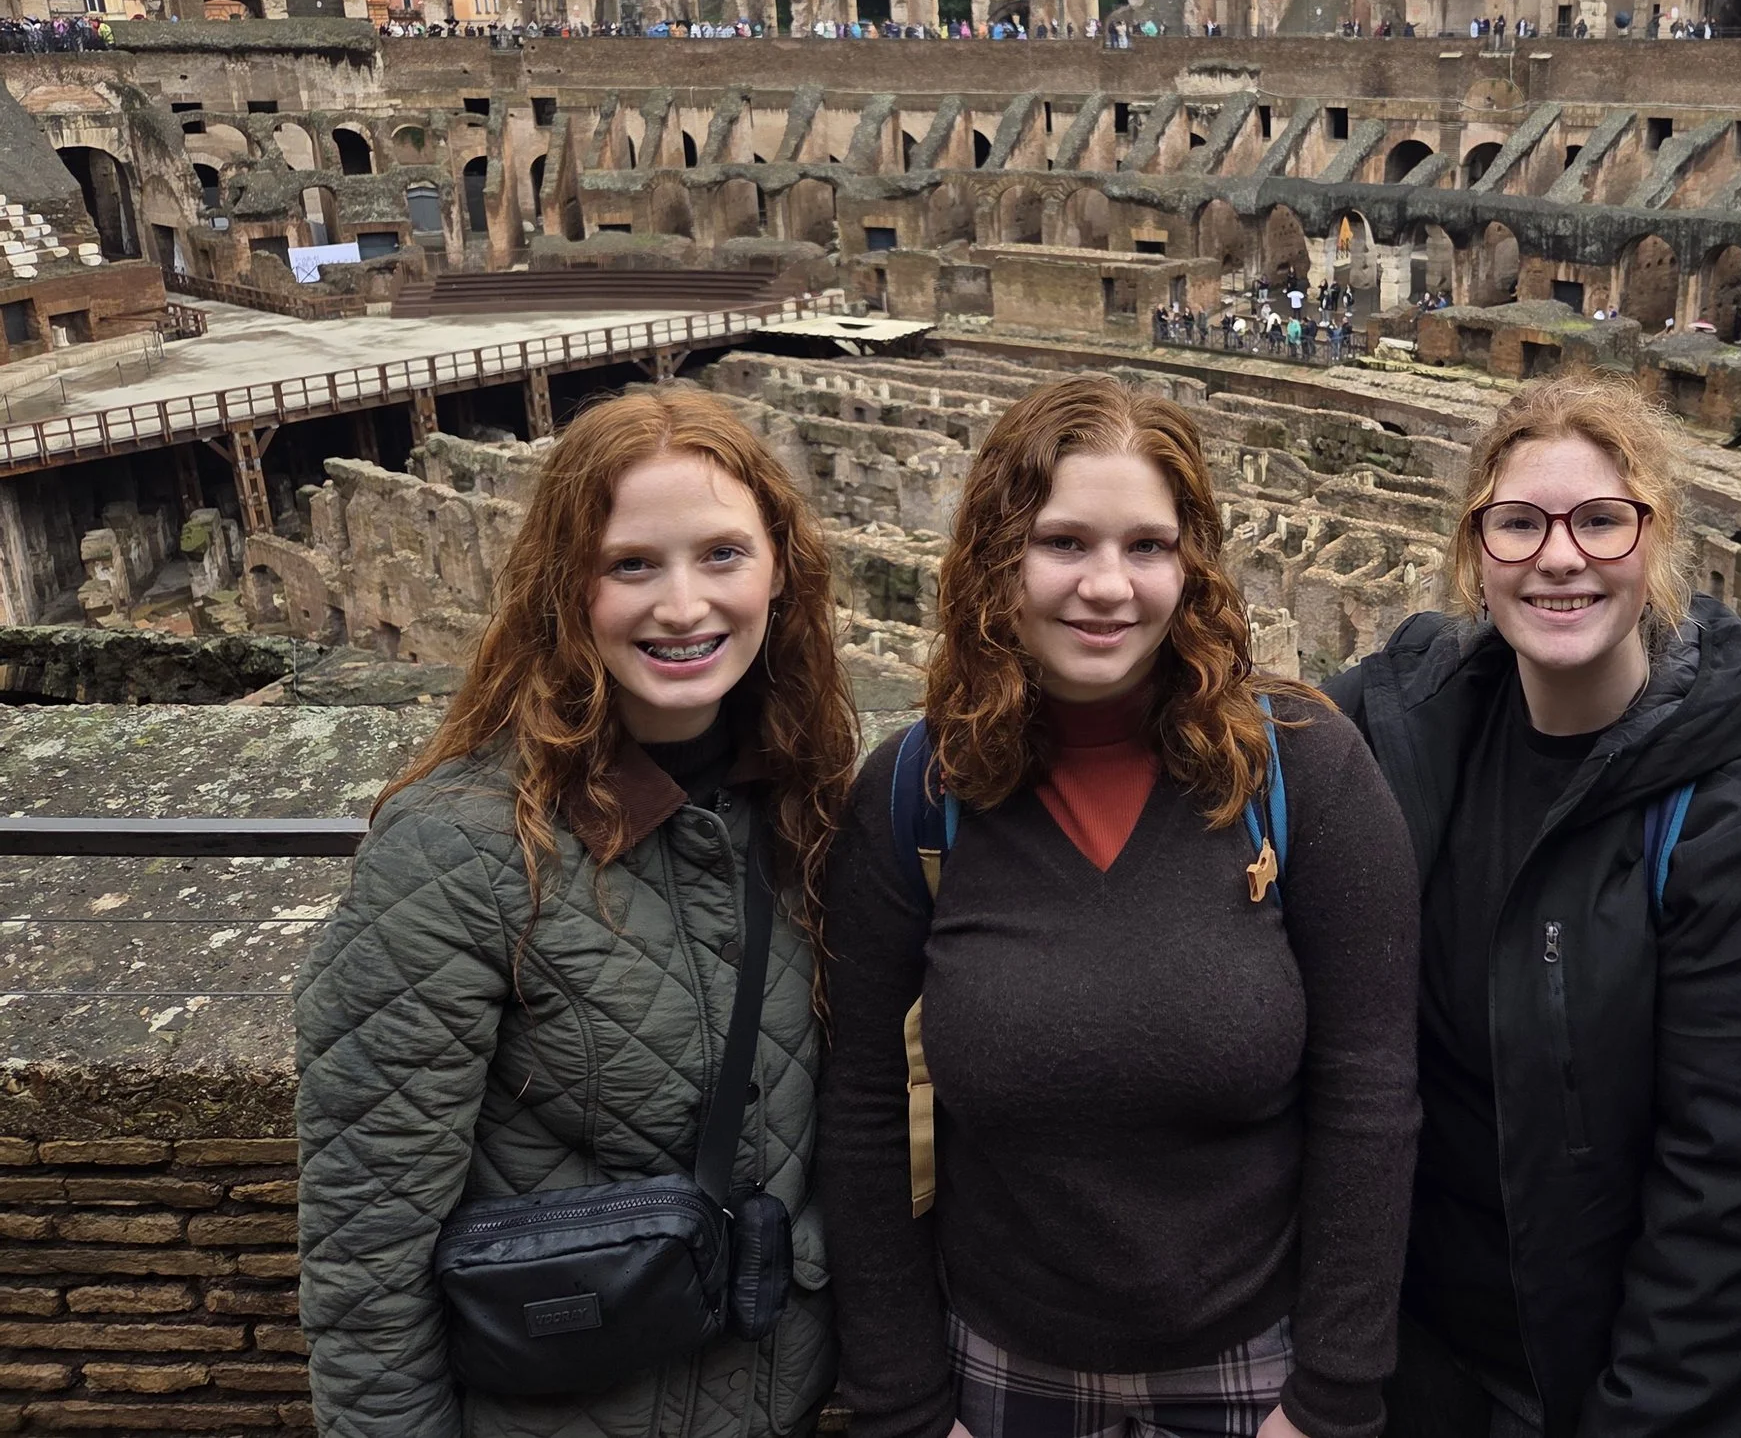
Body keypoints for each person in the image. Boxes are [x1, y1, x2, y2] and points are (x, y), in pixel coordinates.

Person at [822, 376, 1420, 1438]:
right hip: (997, 1369)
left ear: (1191, 565)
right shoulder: (919, 791)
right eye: (1064, 543)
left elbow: (1368, 1091)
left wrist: (1330, 1395)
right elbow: (867, 1112)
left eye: (1147, 545)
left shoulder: (1305, 769)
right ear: (998, 557)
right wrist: (905, 1404)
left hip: (1256, 1369)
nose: (1109, 586)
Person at [296, 388, 860, 1436]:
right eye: (631, 564)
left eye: (723, 555)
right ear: (567, 588)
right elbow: (365, 1269)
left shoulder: (814, 808)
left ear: (781, 575)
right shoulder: (455, 854)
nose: (684, 606)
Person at [1325, 372, 1741, 1438]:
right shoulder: (1408, 731)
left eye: (1601, 521)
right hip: (1426, 1371)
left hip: (1621, 1391)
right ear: (1475, 551)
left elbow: (1735, 1203)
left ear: (1656, 546)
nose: (1559, 556)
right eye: (1517, 524)